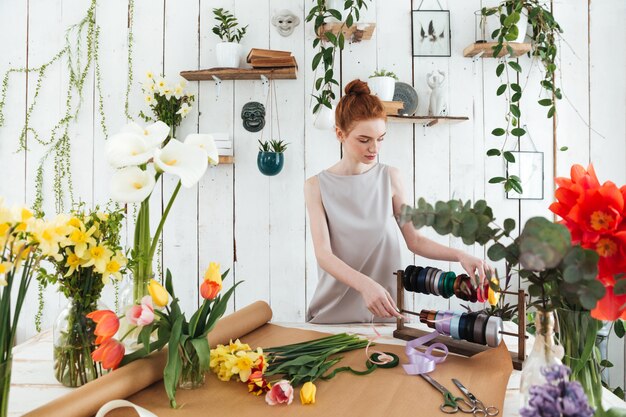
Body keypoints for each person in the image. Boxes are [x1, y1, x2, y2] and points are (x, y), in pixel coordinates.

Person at [305, 79, 494, 324]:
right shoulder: (316, 186)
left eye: (381, 138)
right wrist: (365, 285)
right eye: (364, 140)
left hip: (384, 311)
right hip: (333, 312)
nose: (375, 148)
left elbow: (414, 240)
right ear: (340, 134)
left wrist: (459, 255)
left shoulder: (390, 177)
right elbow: (324, 255)